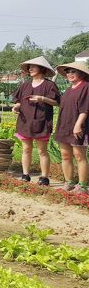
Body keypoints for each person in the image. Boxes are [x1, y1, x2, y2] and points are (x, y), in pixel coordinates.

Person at [12, 56, 60, 185]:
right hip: (25, 121)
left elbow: (56, 102)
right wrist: (17, 106)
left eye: (34, 66)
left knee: (42, 151)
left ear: (42, 68)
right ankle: (25, 174)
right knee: (26, 149)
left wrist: (42, 99)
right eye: (29, 67)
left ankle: (44, 177)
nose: (30, 69)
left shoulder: (49, 85)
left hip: (41, 121)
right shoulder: (25, 85)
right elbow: (18, 100)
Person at [53, 61, 89, 193]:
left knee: (79, 156)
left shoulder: (86, 87)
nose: (70, 74)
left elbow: (85, 108)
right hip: (64, 125)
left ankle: (83, 185)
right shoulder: (68, 90)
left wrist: (78, 124)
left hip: (78, 126)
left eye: (73, 71)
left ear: (81, 73)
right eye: (68, 71)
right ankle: (69, 182)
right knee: (65, 155)